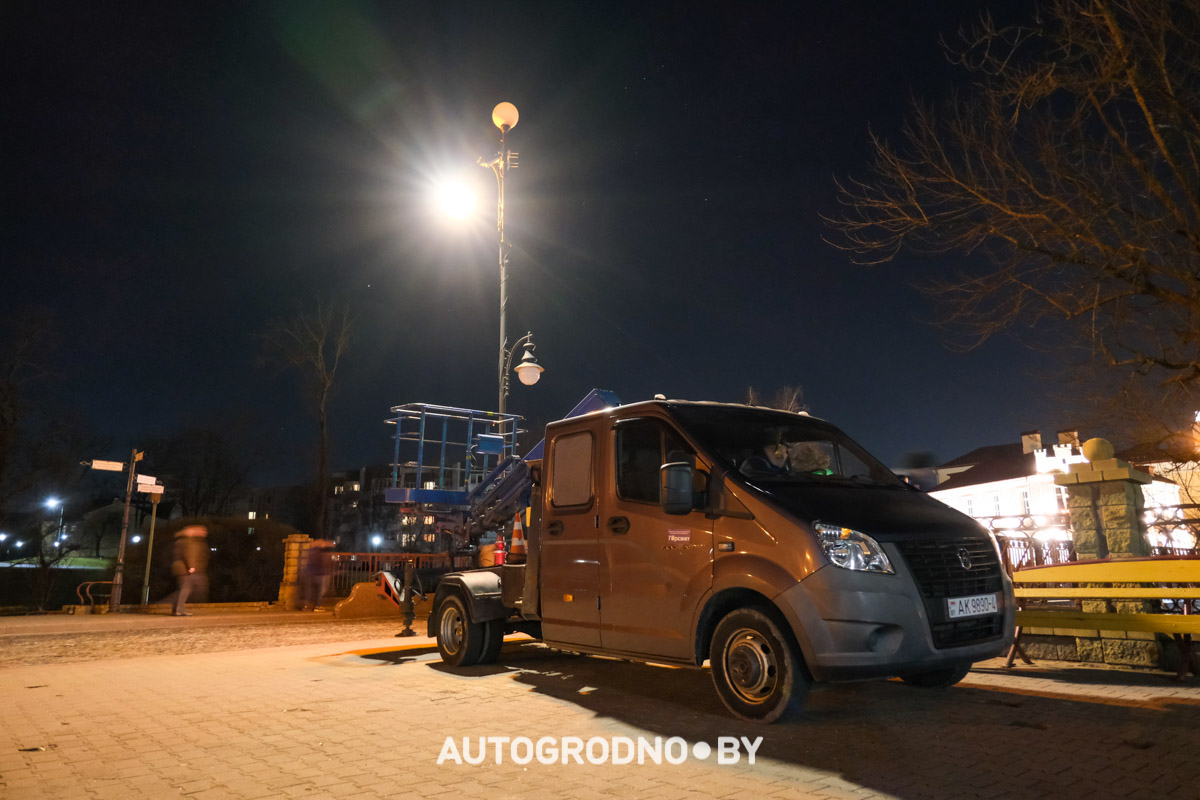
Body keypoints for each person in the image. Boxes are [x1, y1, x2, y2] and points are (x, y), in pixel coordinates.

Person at [171, 525, 209, 616]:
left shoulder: (182, 540)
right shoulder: (189, 541)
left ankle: (179, 609)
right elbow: (189, 554)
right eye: (201, 531)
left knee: (186, 589)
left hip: (182, 568)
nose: (204, 533)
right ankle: (178, 610)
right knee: (187, 589)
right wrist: (191, 566)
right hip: (185, 569)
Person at [299, 539, 336, 611]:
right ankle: (317, 606)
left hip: (309, 573)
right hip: (319, 574)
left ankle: (307, 606)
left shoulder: (310, 552)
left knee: (310, 591)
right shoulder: (318, 553)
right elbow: (321, 563)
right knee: (319, 591)